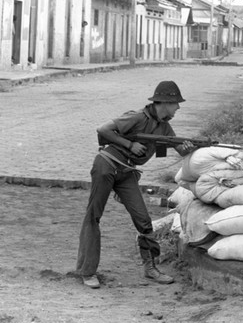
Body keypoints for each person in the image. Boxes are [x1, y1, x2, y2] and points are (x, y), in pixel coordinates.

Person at [76, 81, 197, 289]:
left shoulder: (164, 128)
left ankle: (150, 268)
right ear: (165, 103)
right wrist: (129, 144)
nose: (178, 108)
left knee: (144, 221)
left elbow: (181, 150)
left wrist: (189, 148)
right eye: (176, 103)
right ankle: (87, 272)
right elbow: (103, 129)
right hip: (106, 165)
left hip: (127, 173)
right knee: (93, 216)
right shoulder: (137, 116)